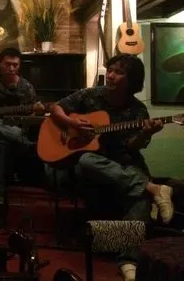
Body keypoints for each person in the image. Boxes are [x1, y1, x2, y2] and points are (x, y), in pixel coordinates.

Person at [45, 53, 173, 281]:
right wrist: (72, 122)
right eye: (110, 70)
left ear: (131, 80)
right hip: (91, 163)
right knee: (86, 160)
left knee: (140, 200)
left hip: (123, 163)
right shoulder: (91, 95)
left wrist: (145, 133)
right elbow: (56, 108)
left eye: (119, 72)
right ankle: (153, 188)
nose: (111, 76)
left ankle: (128, 262)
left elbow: (133, 147)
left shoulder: (138, 112)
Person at [0, 47, 45, 218]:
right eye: (7, 64)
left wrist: (36, 112)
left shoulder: (26, 87)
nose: (11, 69)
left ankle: (1, 194)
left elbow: (32, 117)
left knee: (6, 141)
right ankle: (26, 144)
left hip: (13, 129)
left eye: (15, 65)